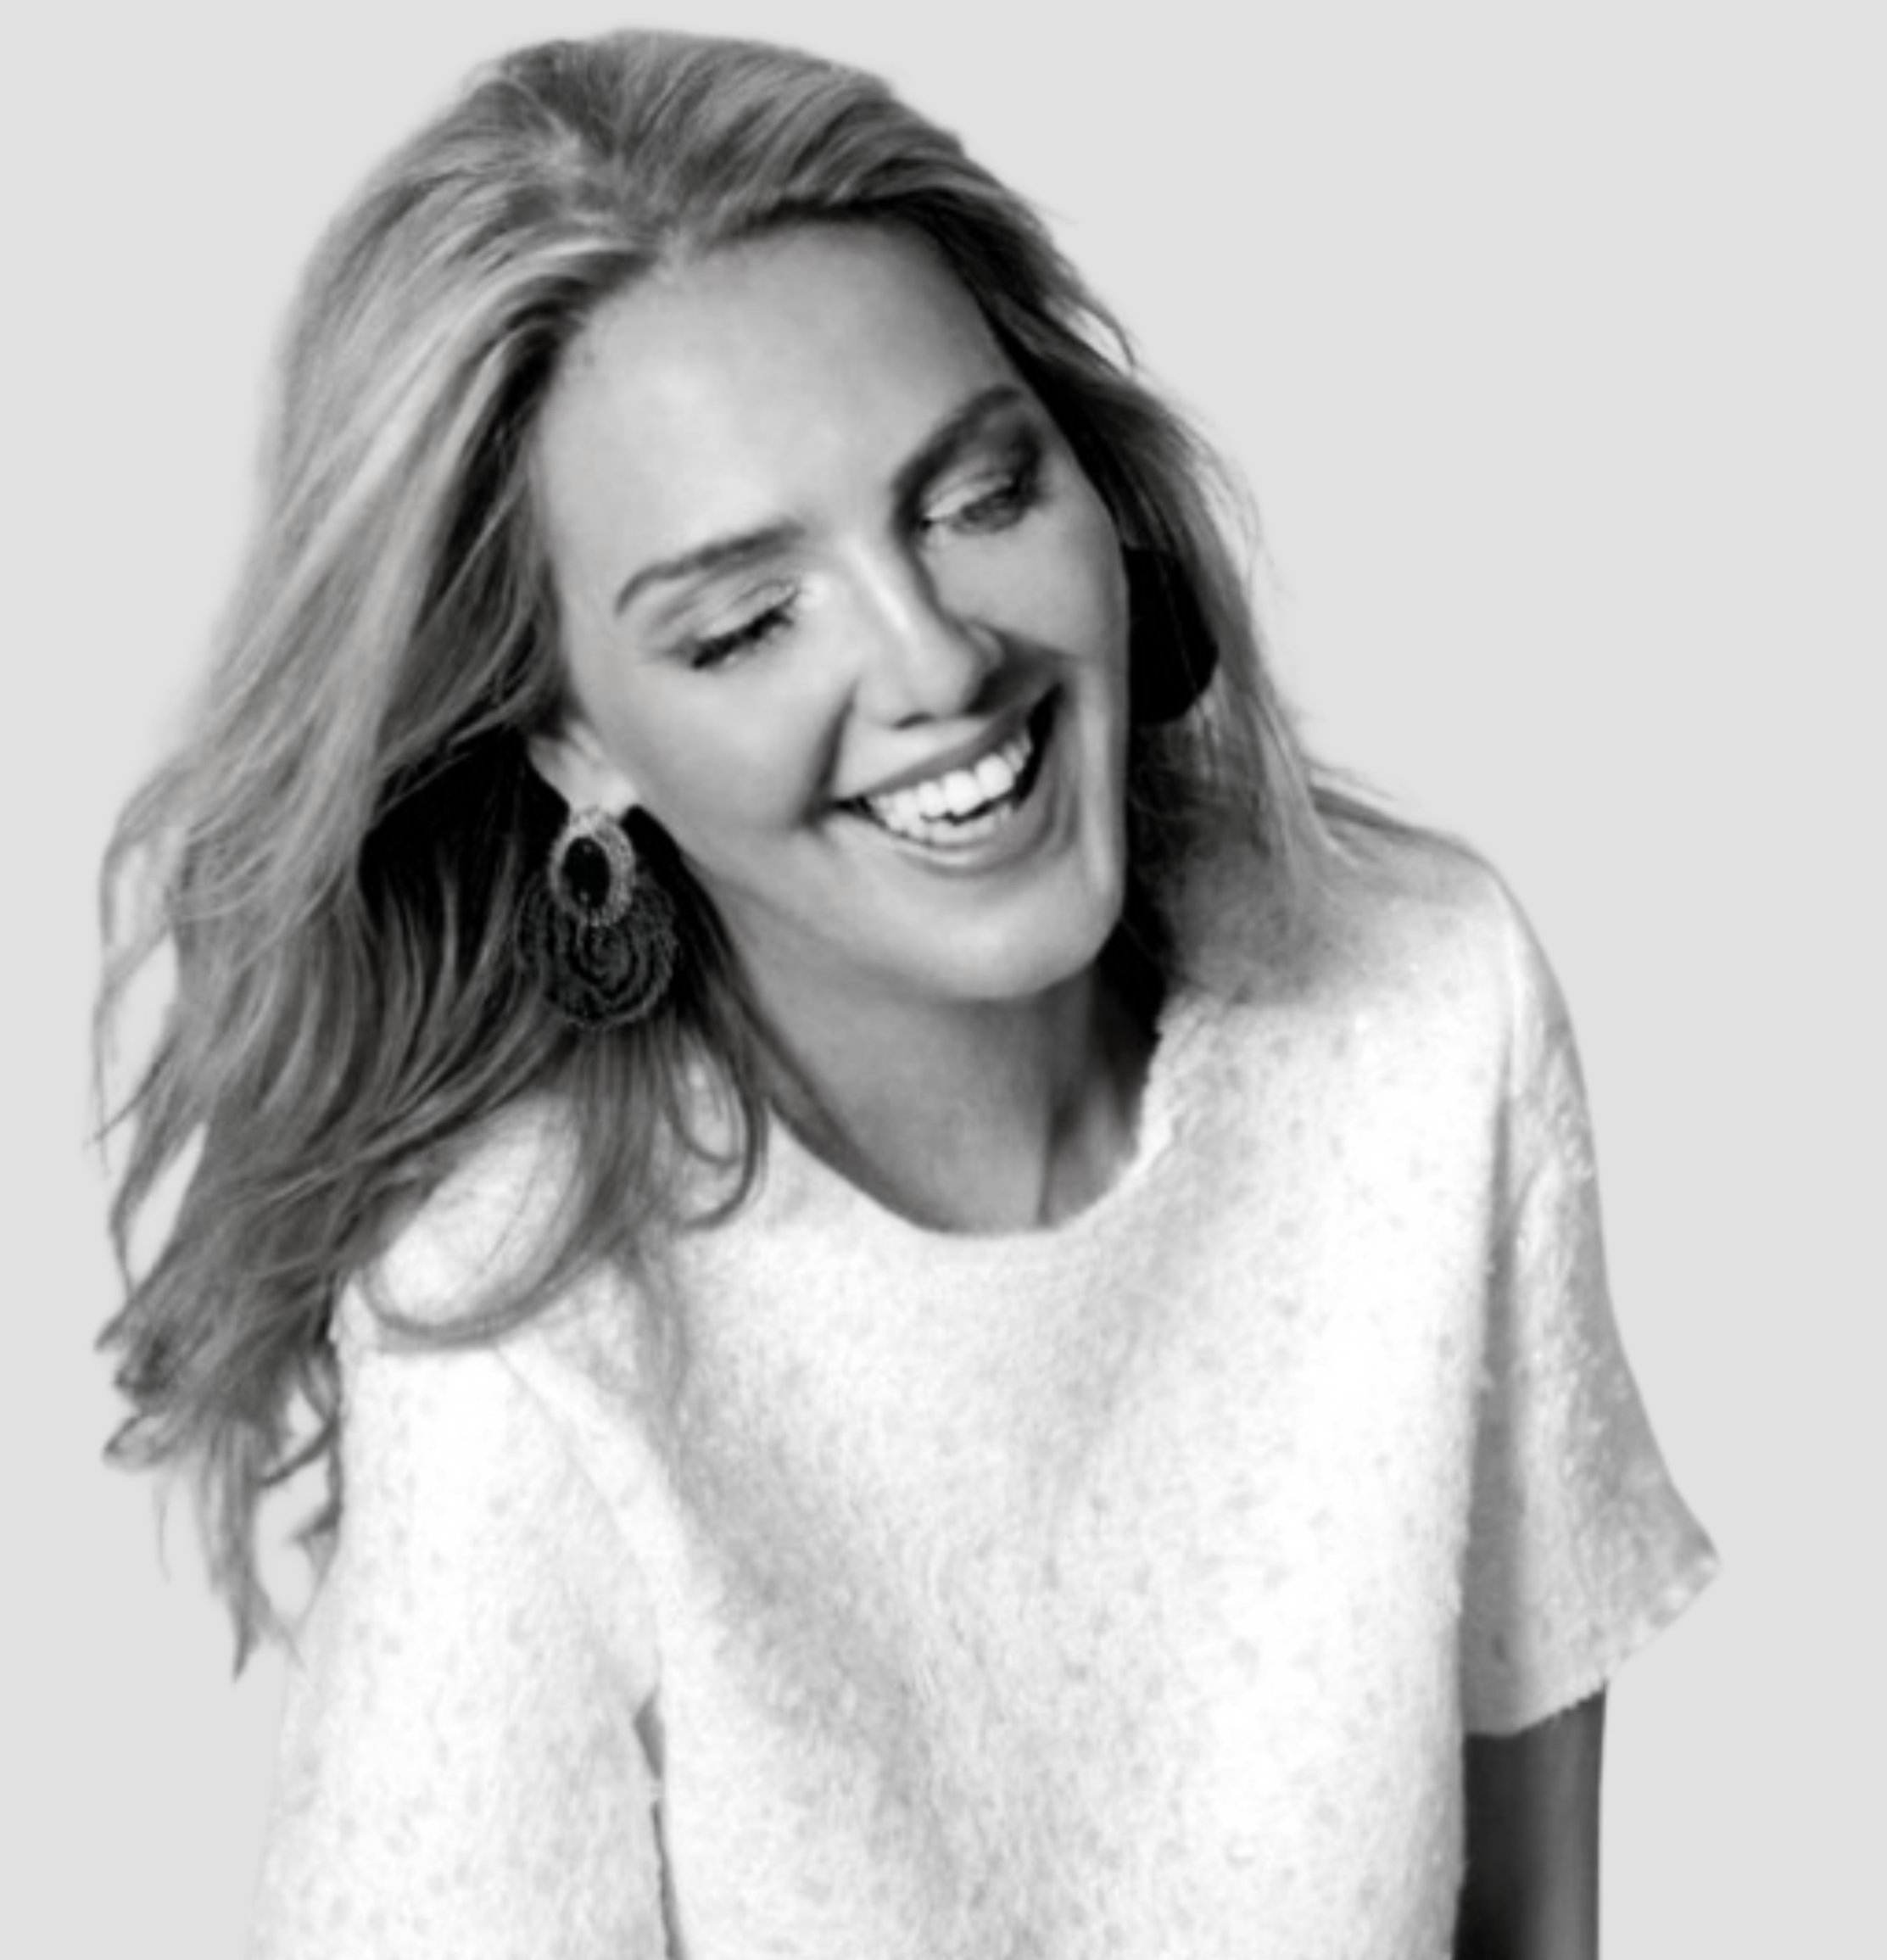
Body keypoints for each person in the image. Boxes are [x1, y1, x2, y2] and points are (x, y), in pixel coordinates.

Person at [96, 27, 1717, 1960]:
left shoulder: (1419, 1012)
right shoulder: (520, 1329)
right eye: (745, 621)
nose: (937, 663)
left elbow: (1533, 1916)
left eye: (975, 496)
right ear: (571, 741)